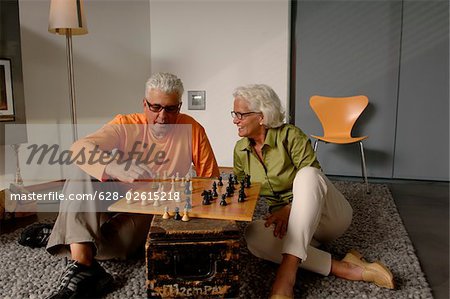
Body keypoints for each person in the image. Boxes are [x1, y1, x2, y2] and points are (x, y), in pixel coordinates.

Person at [42, 72, 220, 298]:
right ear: (144, 104)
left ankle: (65, 230)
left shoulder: (192, 129)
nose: (162, 117)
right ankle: (84, 265)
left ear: (180, 107)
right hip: (114, 196)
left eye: (170, 109)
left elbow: (210, 180)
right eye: (155, 107)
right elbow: (78, 149)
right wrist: (113, 166)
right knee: (82, 169)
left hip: (152, 205)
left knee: (120, 249)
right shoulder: (125, 124)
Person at [231, 84, 394, 299]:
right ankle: (346, 267)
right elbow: (243, 193)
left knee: (307, 174)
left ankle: (285, 278)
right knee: (253, 235)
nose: (235, 120)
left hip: (328, 218)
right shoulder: (240, 151)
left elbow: (315, 180)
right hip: (293, 229)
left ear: (261, 116)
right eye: (234, 114)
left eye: (240, 114)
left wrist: (289, 210)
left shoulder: (290, 135)